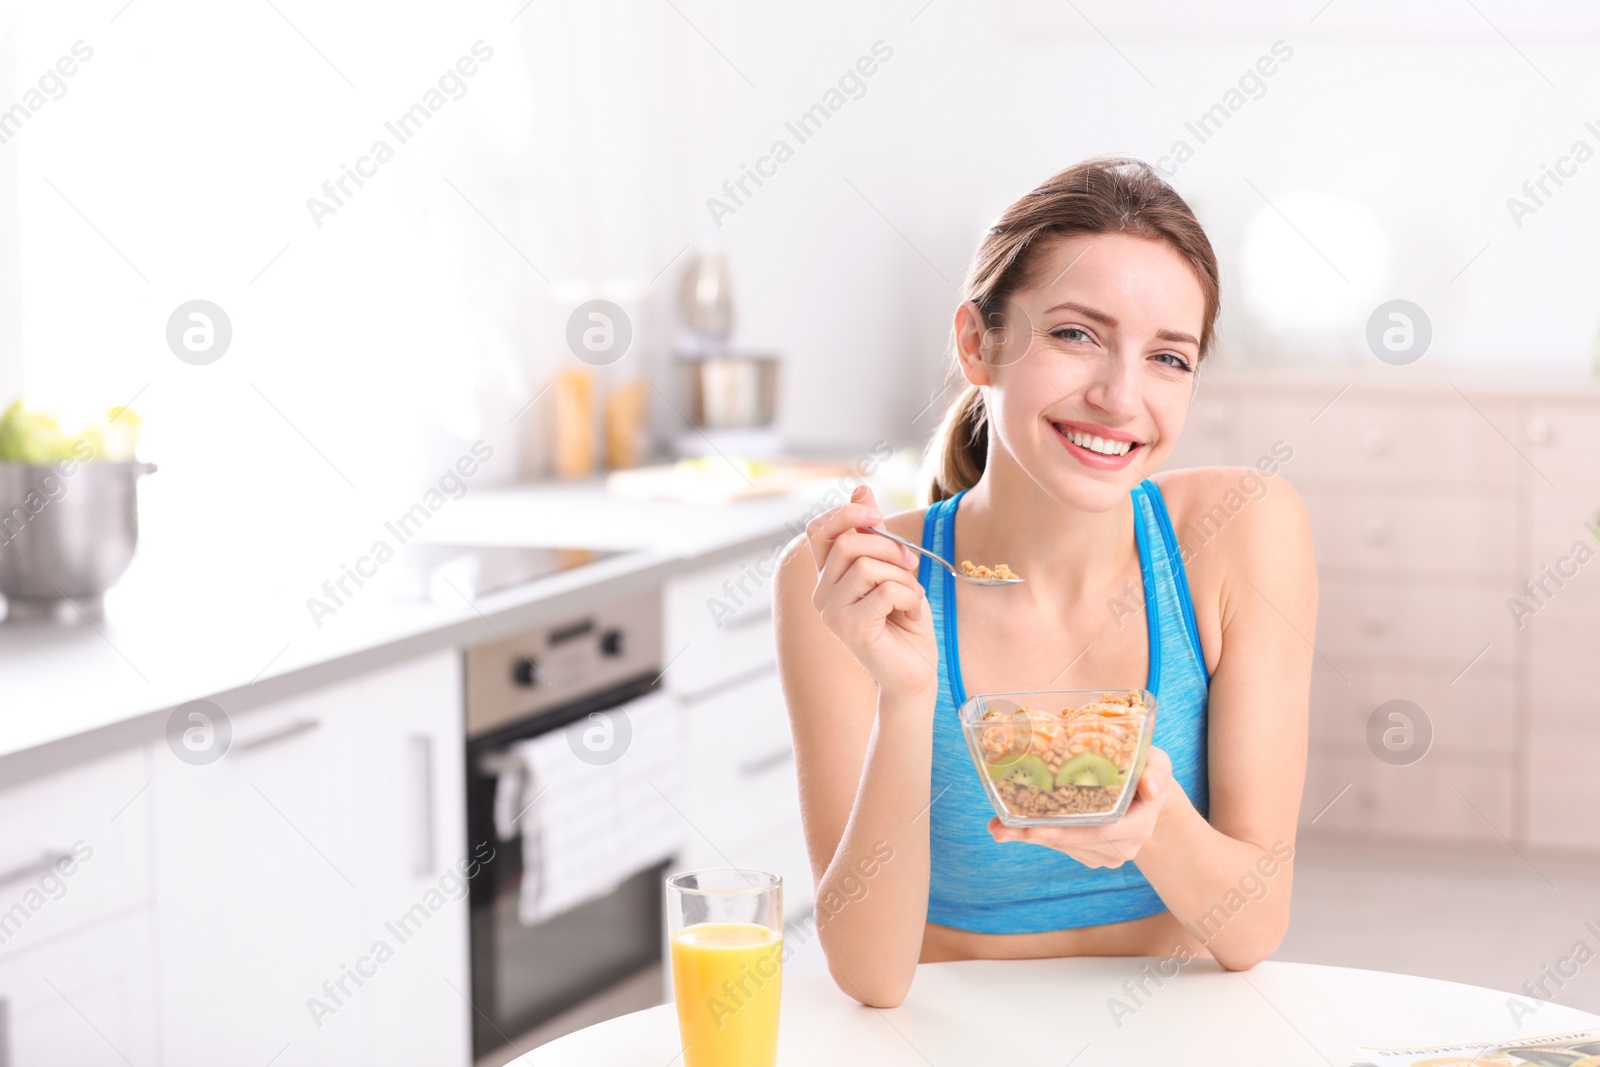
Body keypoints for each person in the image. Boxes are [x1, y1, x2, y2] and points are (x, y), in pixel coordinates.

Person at [773, 156, 1315, 1008]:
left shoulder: (1240, 532)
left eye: (1169, 358)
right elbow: (871, 975)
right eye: (1076, 334)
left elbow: (1252, 929)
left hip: (1180, 1027)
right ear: (978, 343)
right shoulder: (859, 587)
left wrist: (1153, 823)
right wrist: (908, 696)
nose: (1119, 396)